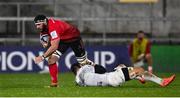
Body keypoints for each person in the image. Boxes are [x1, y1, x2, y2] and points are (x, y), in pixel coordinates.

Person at [33, 15, 92, 87]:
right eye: (36, 25)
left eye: (39, 24)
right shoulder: (45, 27)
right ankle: (54, 84)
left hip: (74, 38)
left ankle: (100, 73)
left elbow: (54, 46)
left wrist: (42, 57)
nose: (37, 27)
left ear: (44, 22)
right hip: (63, 40)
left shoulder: (53, 27)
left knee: (83, 62)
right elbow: (49, 40)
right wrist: (47, 43)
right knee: (51, 60)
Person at [71, 63, 175, 87]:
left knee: (121, 67)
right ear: (79, 65)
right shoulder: (85, 68)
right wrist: (91, 64)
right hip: (112, 78)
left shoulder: (77, 80)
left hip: (109, 82)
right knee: (139, 69)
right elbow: (102, 69)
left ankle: (139, 77)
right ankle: (162, 81)